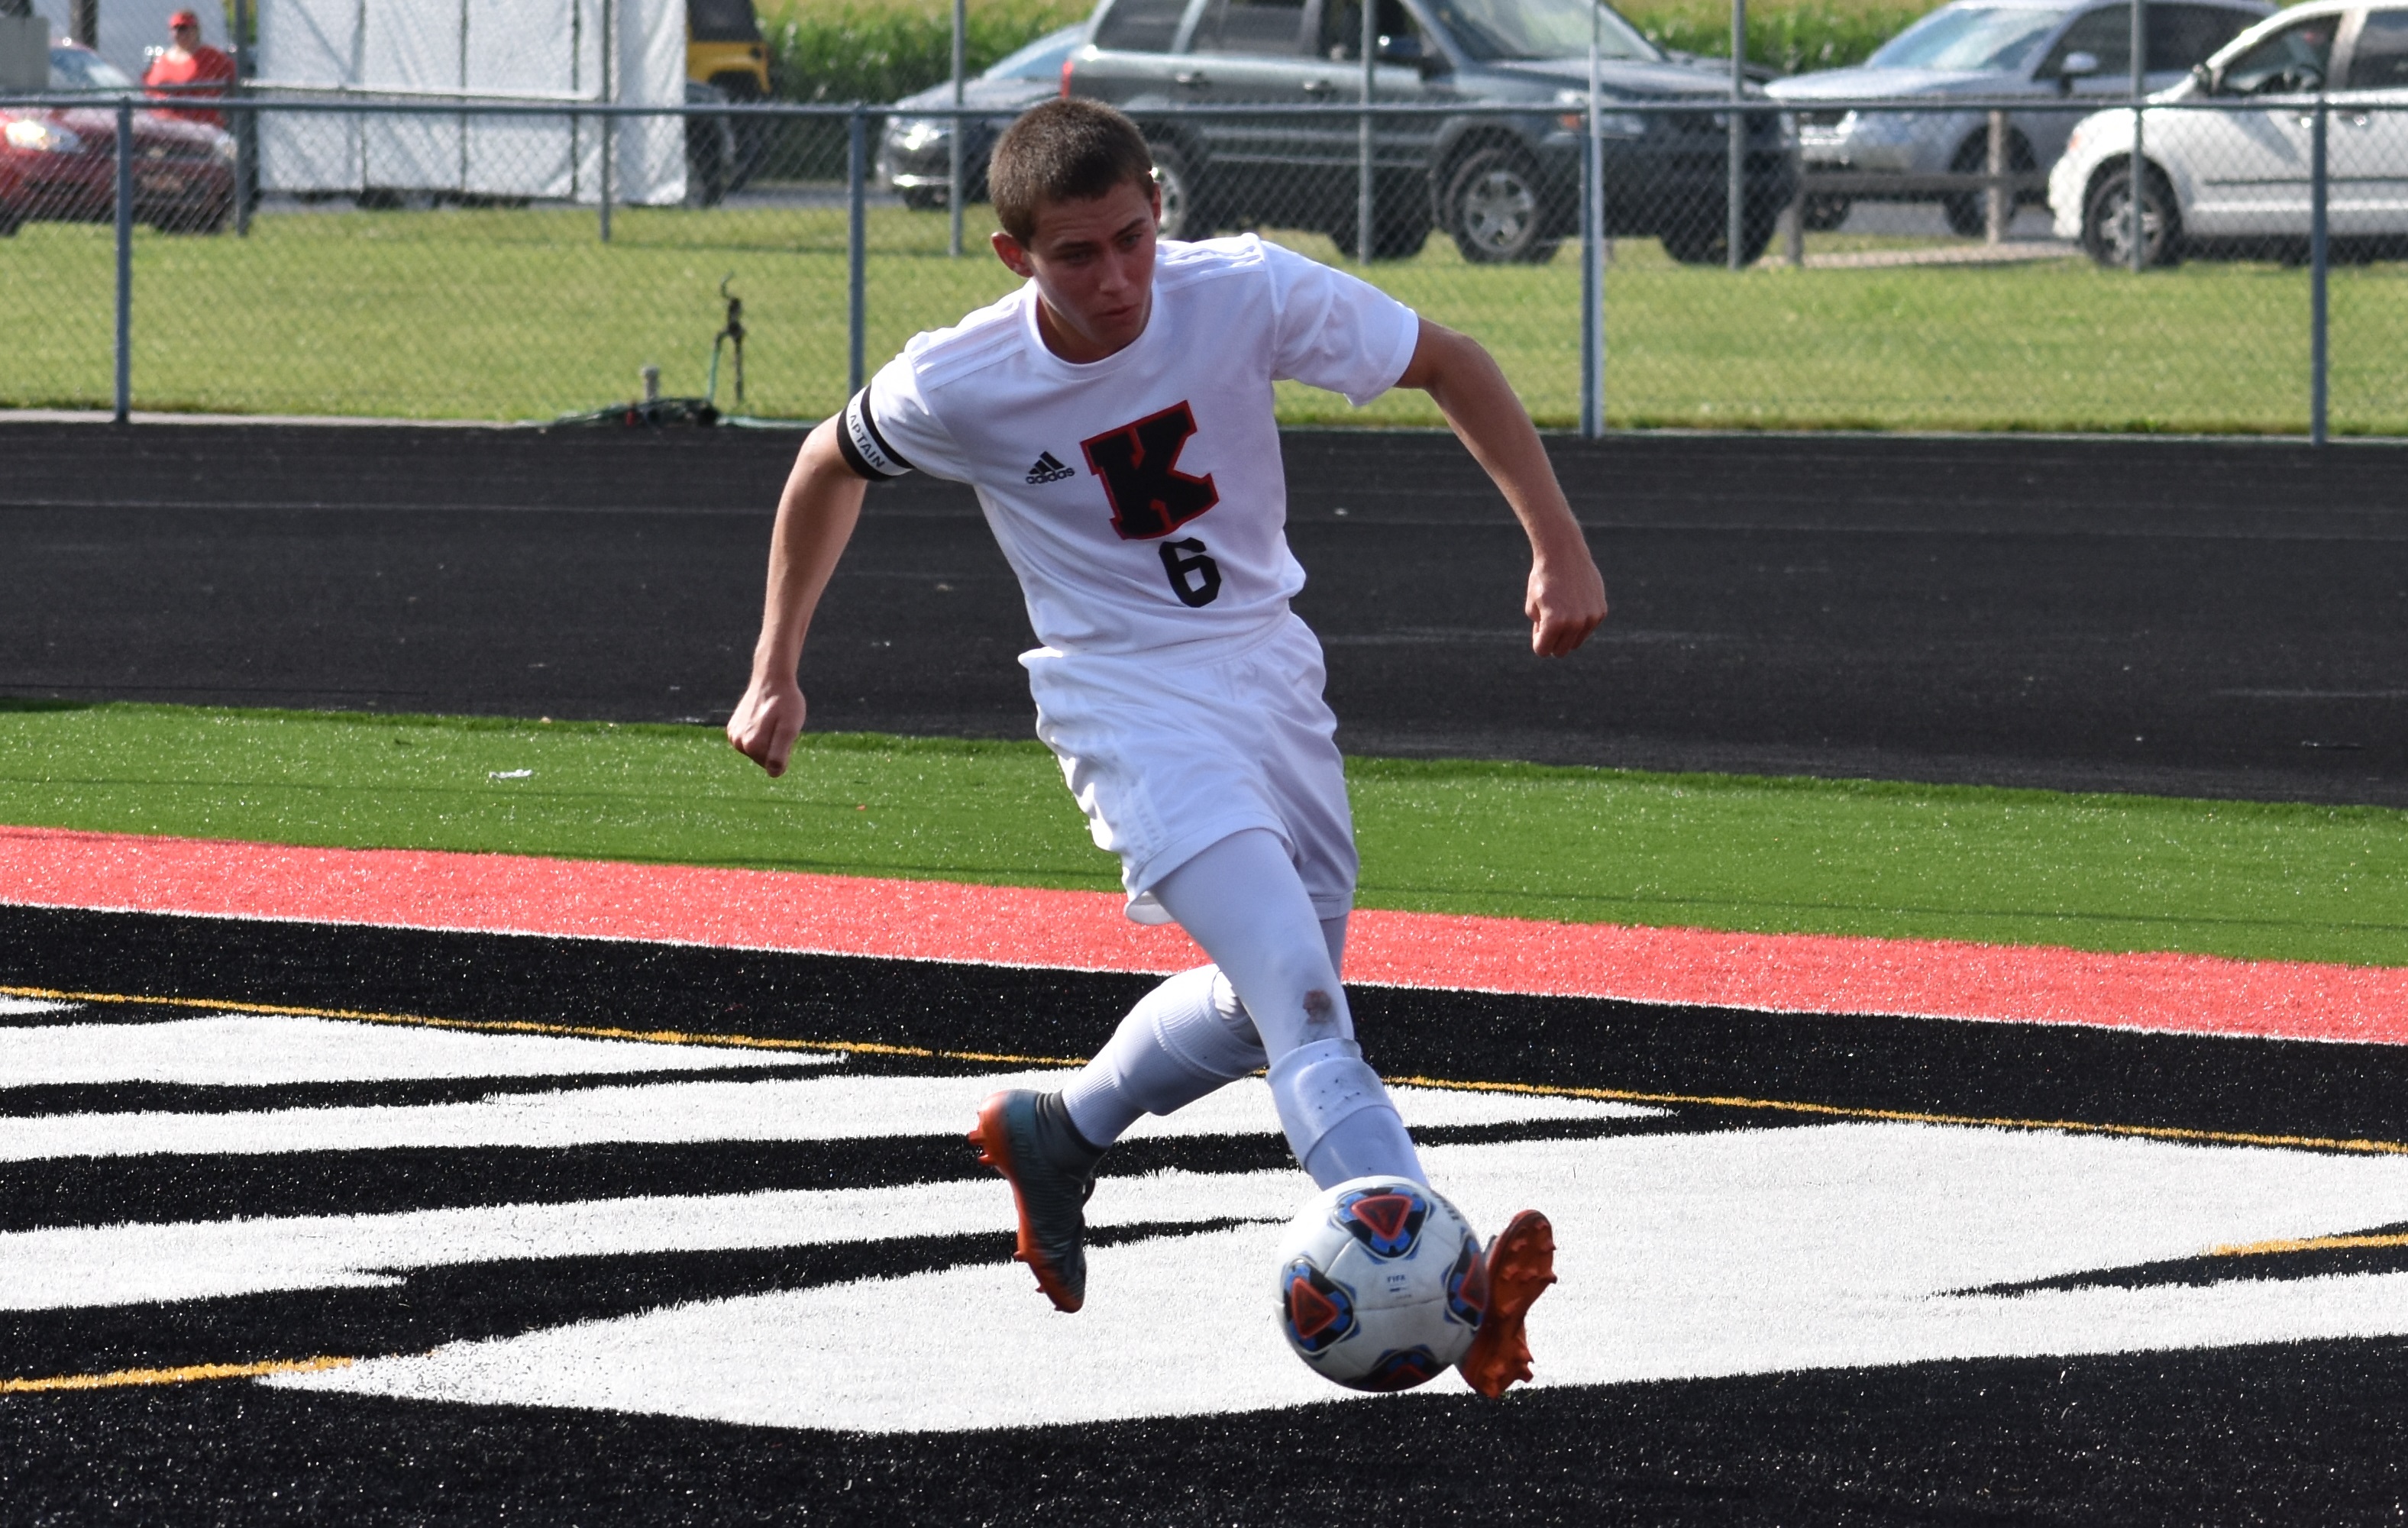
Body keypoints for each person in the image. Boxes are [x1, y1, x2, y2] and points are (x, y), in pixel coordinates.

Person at [727, 99, 1605, 1398]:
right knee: (1305, 1002)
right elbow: (825, 462)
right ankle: (1450, 1286)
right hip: (1125, 702)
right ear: (1012, 255)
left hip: (1269, 675)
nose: (1117, 276)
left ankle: (1059, 1129)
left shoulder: (1240, 289)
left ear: (1158, 208)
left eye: (1134, 237)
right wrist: (774, 668)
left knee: (1265, 1009)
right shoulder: (957, 377)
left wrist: (1557, 539)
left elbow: (1450, 360)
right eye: (1076, 254)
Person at [143, 8, 235, 128]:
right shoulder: (161, 60)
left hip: (200, 125)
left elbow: (233, 81)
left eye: (184, 28)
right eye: (175, 29)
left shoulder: (211, 56)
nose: (179, 33)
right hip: (164, 127)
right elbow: (150, 90)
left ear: (196, 30)